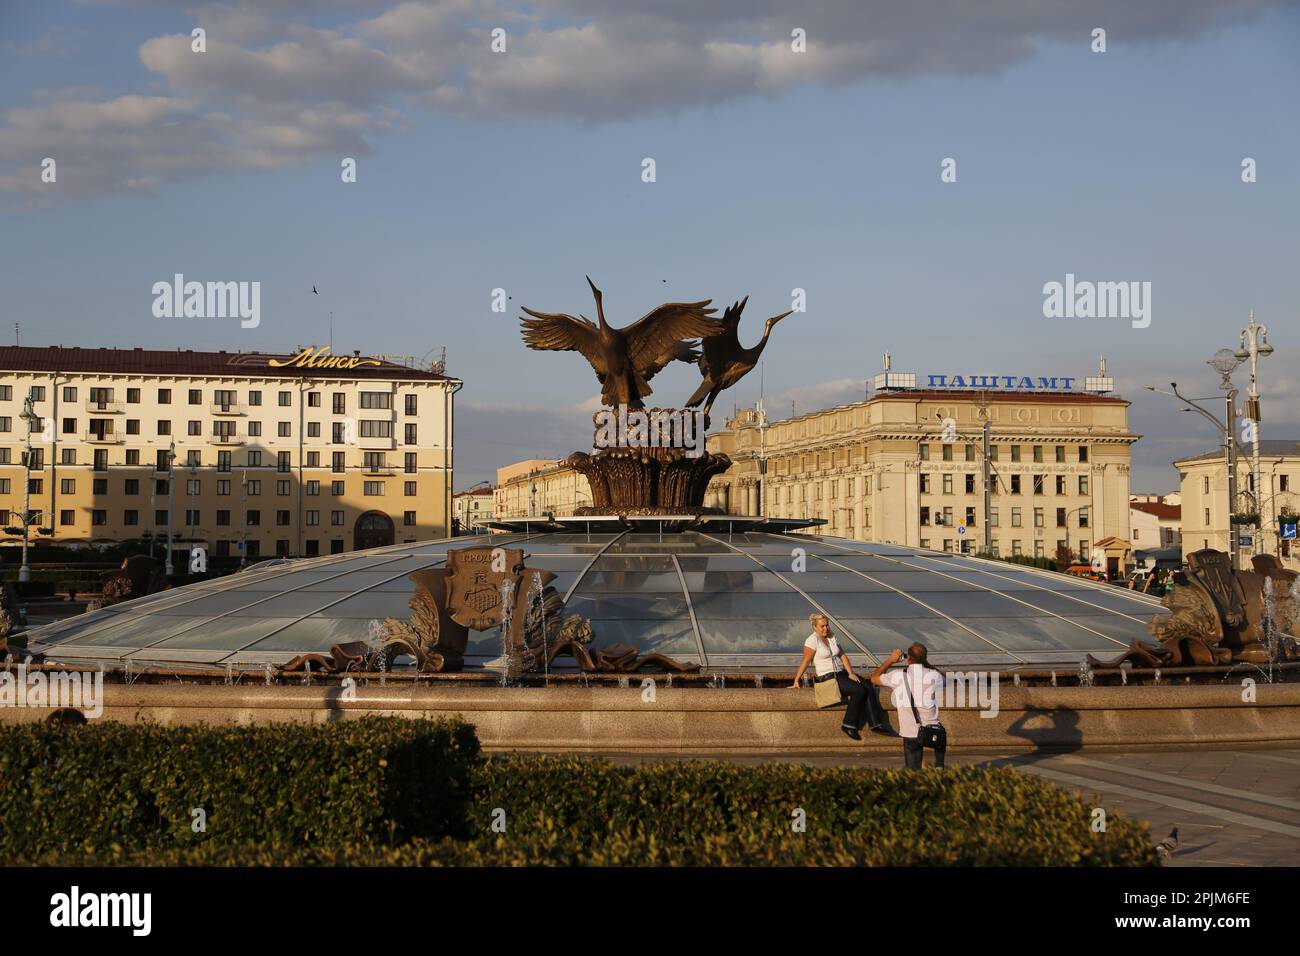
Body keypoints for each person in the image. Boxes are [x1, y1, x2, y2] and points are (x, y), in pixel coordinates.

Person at [790, 612, 890, 739]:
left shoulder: (832, 637)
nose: (826, 628)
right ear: (814, 627)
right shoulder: (812, 640)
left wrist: (851, 673)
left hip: (842, 673)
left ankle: (875, 724)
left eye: (827, 625)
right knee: (859, 690)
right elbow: (805, 661)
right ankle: (848, 725)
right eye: (822, 626)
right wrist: (796, 680)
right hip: (828, 676)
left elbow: (842, 656)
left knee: (868, 685)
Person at [871, 643, 945, 768]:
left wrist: (891, 660)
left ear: (908, 658)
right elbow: (944, 677)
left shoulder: (898, 675)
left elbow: (874, 678)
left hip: (911, 731)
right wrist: (925, 663)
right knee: (939, 769)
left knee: (912, 771)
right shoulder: (934, 676)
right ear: (925, 658)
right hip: (933, 729)